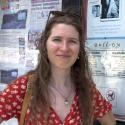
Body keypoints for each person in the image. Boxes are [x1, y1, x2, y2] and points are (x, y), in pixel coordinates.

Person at [0, 10, 116, 125]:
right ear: (45, 45)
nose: (64, 48)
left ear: (79, 50)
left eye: (72, 41)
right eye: (57, 40)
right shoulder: (24, 88)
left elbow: (110, 122)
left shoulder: (87, 91)